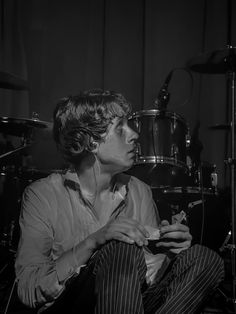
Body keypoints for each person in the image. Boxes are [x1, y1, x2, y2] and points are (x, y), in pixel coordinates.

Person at [15, 89, 224, 314]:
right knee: (118, 249)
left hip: (127, 302)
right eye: (120, 128)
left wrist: (173, 257)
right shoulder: (42, 195)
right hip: (71, 305)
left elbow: (143, 275)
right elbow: (28, 289)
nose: (134, 134)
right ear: (90, 142)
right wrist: (94, 242)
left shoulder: (139, 191)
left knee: (204, 259)